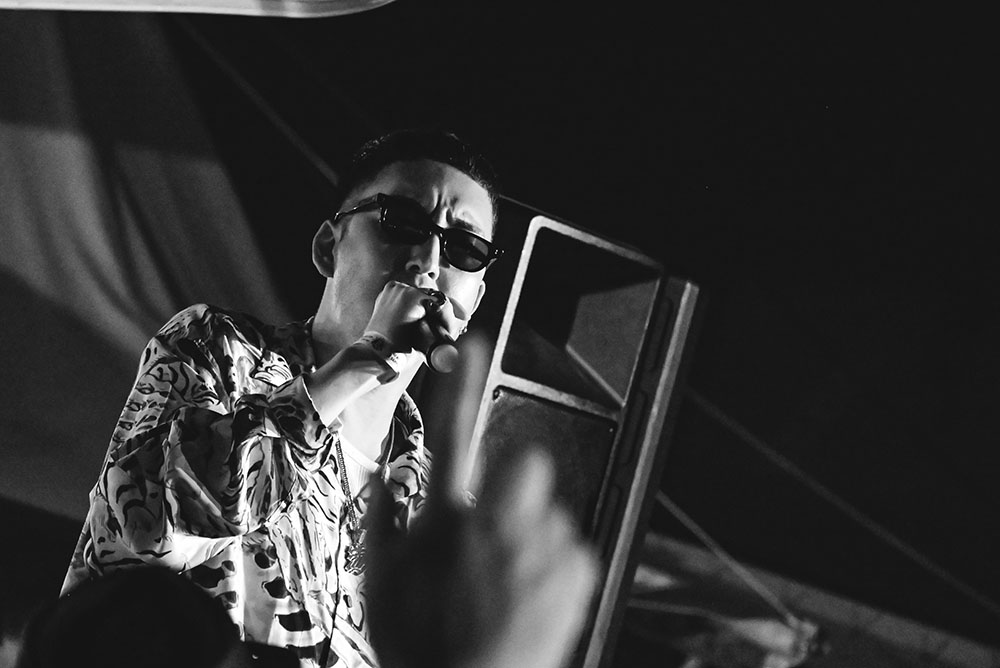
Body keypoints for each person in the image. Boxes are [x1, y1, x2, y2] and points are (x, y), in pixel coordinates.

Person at [61, 128, 507, 668]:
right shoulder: (216, 350)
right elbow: (145, 522)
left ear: (474, 300)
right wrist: (364, 359)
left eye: (465, 248)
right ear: (328, 247)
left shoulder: (439, 506)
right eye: (402, 222)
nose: (429, 260)